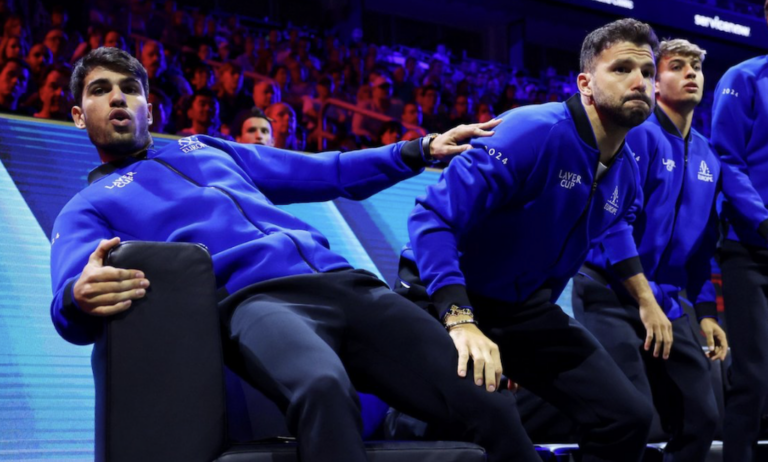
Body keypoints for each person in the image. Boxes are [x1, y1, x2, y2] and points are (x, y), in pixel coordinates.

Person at [50, 47, 539, 462]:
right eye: (99, 90)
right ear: (78, 115)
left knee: (486, 398)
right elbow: (70, 298)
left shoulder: (207, 148)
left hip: (345, 283)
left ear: (149, 110)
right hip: (257, 304)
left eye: (130, 88)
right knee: (323, 389)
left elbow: (328, 171)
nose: (117, 97)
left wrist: (421, 149)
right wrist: (78, 295)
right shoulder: (85, 206)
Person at [398, 19, 660, 462]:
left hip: (523, 312)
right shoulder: (530, 132)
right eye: (621, 69)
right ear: (586, 84)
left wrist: (520, 344)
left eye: (649, 73)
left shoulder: (629, 173)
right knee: (479, 422)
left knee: (629, 417)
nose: (640, 82)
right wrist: (460, 319)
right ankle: (402, 423)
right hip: (442, 296)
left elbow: (564, 256)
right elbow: (433, 217)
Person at [573, 38, 726, 462]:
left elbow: (702, 245)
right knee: (629, 415)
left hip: (667, 303)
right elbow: (611, 220)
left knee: (700, 420)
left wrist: (707, 312)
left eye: (696, 66)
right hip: (609, 293)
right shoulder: (635, 134)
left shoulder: (709, 158)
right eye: (677, 66)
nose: (691, 73)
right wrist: (642, 297)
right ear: (656, 82)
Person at [711, 2, 768, 460]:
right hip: (750, 249)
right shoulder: (743, 79)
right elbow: (727, 160)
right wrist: (763, 219)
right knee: (755, 375)